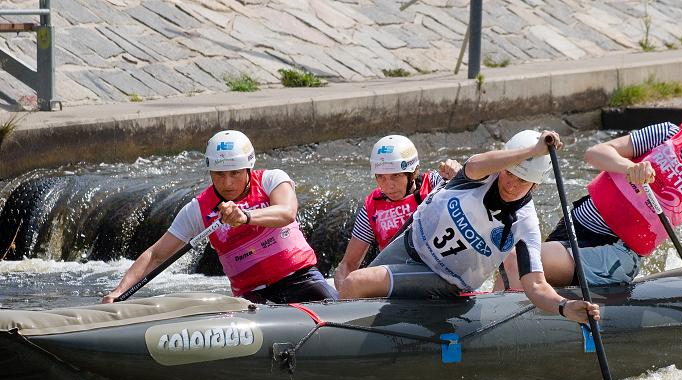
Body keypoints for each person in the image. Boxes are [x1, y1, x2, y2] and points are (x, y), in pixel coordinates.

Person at [338, 130, 601, 325]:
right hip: (410, 244)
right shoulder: (479, 174)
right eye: (509, 173)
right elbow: (478, 163)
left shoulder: (526, 223)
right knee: (355, 292)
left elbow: (536, 285)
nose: (511, 185)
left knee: (355, 283)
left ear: (535, 185)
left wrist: (564, 306)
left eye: (522, 181)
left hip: (443, 277)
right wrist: (532, 151)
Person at [540, 105, 682, 330]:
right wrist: (629, 168)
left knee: (527, 259)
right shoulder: (665, 134)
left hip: (616, 252)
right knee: (520, 271)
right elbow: (594, 153)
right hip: (576, 225)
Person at [102, 130, 338, 304]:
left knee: (336, 306)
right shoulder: (198, 210)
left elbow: (287, 212)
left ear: (248, 168)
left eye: (235, 173)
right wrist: (118, 292)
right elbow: (156, 255)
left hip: (301, 280)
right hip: (252, 297)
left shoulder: (271, 180)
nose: (227, 183)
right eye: (219, 174)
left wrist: (246, 216)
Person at [333, 135, 461, 290]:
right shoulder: (371, 207)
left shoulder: (435, 183)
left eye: (396, 175)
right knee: (353, 280)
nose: (389, 186)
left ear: (412, 173)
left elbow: (469, 188)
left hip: (439, 270)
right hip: (397, 277)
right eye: (381, 177)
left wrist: (458, 173)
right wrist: (343, 295)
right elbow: (348, 264)